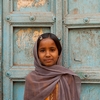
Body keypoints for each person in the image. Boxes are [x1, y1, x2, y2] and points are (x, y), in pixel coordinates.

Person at [24, 33, 81, 100]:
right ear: (37, 55)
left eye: (52, 50)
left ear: (58, 53)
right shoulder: (31, 79)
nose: (47, 54)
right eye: (42, 50)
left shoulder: (67, 77)